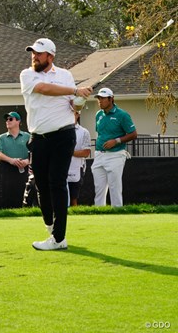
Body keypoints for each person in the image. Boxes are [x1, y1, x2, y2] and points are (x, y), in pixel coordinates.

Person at [20, 38, 92, 251]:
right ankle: (51, 228)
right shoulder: (27, 74)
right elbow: (43, 89)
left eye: (39, 53)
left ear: (50, 56)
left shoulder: (65, 75)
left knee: (57, 183)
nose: (34, 56)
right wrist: (74, 90)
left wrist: (78, 99)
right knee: (41, 185)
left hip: (63, 135)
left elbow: (71, 104)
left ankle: (59, 238)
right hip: (39, 138)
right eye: (33, 52)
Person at [91, 88, 137, 207]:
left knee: (114, 188)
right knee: (99, 189)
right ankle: (98, 213)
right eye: (99, 98)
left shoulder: (122, 115)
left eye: (103, 98)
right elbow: (100, 133)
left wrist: (116, 141)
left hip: (115, 155)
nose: (100, 101)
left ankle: (117, 213)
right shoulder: (98, 114)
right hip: (99, 155)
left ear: (111, 99)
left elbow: (133, 134)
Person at [67, 111, 91, 206]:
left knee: (73, 198)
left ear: (78, 115)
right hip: (60, 169)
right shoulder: (58, 131)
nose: (73, 115)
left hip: (76, 168)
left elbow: (86, 152)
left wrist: (69, 152)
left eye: (75, 113)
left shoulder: (84, 132)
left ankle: (74, 218)